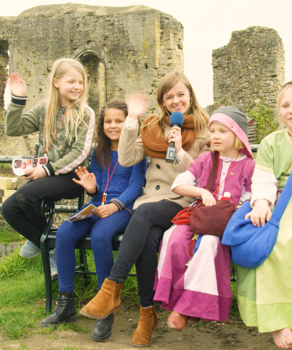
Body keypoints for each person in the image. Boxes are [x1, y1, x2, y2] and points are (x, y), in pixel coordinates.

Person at [79, 71, 210, 346]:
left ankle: (111, 288)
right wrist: (132, 120)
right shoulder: (152, 126)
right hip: (151, 200)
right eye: (169, 96)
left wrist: (179, 149)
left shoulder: (204, 126)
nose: (175, 101)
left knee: (144, 214)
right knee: (147, 241)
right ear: (163, 101)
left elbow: (203, 175)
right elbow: (126, 159)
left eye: (180, 95)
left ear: (190, 95)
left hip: (184, 200)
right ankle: (146, 314)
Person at [40, 100, 146, 340]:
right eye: (108, 121)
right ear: (102, 125)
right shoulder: (100, 151)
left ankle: (104, 308)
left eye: (119, 121)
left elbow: (136, 185)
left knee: (100, 236)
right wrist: (91, 188)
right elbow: (97, 187)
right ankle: (66, 303)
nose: (113, 125)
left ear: (128, 123)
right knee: (66, 231)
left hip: (123, 209)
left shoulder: (137, 150)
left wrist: (115, 205)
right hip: (97, 206)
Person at [153, 106, 255, 330]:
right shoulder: (205, 160)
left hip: (227, 222)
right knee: (173, 237)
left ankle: (187, 307)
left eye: (223, 131)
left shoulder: (248, 165)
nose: (215, 136)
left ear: (237, 135)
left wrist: (233, 206)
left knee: (210, 243)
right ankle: (174, 297)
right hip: (200, 214)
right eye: (213, 131)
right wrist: (203, 192)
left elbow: (252, 197)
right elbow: (179, 184)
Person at [237, 81, 292, 350]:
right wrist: (260, 203)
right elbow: (264, 180)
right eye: (285, 105)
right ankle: (276, 319)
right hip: (278, 205)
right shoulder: (271, 142)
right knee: (269, 241)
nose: (291, 110)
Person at [1, 58, 95, 272]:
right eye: (71, 81)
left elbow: (80, 153)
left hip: (74, 177)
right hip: (49, 176)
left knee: (26, 196)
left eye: (81, 82)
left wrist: (45, 170)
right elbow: (13, 129)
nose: (77, 87)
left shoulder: (85, 113)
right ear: (56, 82)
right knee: (8, 209)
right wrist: (18, 99)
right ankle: (48, 245)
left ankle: (50, 245)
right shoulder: (45, 108)